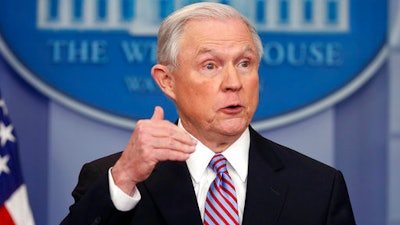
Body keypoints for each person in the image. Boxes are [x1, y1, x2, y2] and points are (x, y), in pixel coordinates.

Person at [61, 2, 356, 225]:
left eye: (244, 63)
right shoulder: (115, 179)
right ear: (167, 80)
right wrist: (124, 179)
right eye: (210, 66)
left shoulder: (319, 186)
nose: (233, 83)